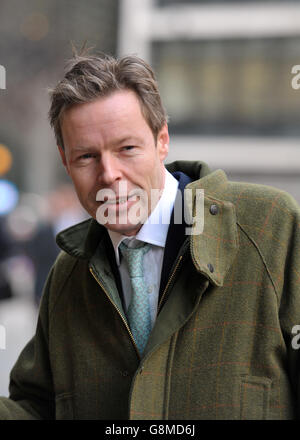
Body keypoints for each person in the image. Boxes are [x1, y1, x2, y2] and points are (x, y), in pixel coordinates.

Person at [0, 51, 300, 420]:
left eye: (126, 148)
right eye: (86, 157)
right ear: (65, 162)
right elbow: (37, 409)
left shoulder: (272, 228)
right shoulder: (68, 276)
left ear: (162, 140)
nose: (109, 174)